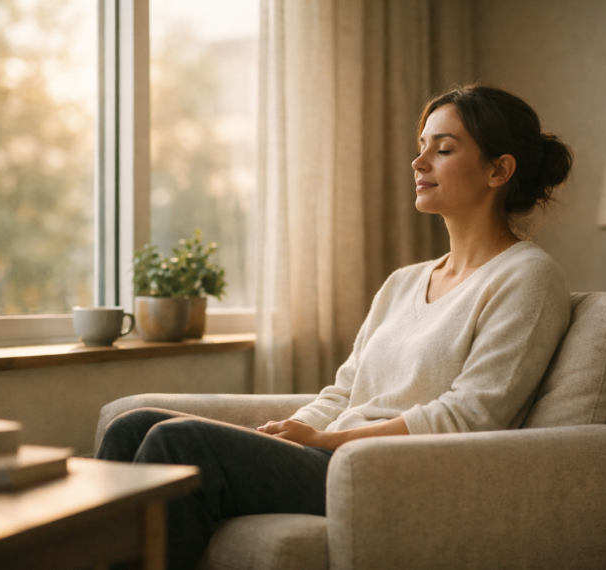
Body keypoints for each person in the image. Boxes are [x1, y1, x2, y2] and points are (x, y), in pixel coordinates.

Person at [96, 84, 574, 570]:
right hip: (332, 458)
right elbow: (344, 393)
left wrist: (327, 443)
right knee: (133, 427)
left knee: (180, 442)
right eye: (421, 147)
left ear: (499, 169)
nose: (419, 162)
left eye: (443, 149)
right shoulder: (403, 283)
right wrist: (292, 432)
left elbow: (472, 416)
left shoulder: (527, 277)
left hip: (395, 474)